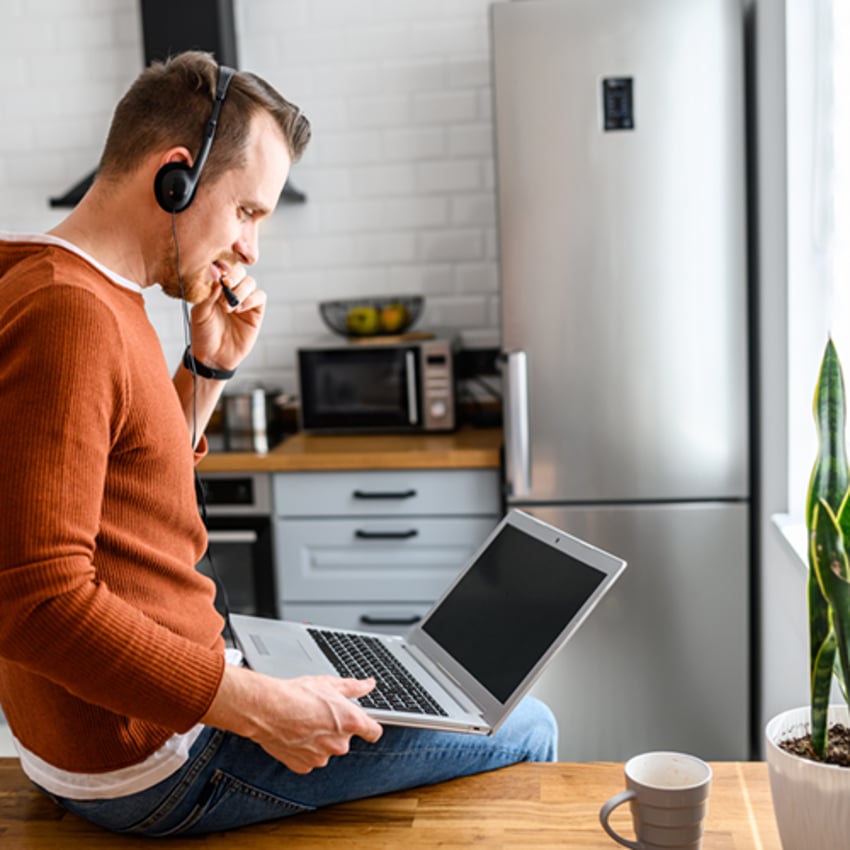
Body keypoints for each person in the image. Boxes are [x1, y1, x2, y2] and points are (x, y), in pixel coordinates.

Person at [0, 51, 557, 837]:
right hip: (150, 758)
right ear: (176, 176)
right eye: (248, 213)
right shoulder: (69, 314)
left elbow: (121, 492)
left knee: (424, 690)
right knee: (528, 726)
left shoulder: (73, 288)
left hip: (128, 727)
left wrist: (209, 368)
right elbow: (35, 602)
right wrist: (261, 708)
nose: (251, 250)